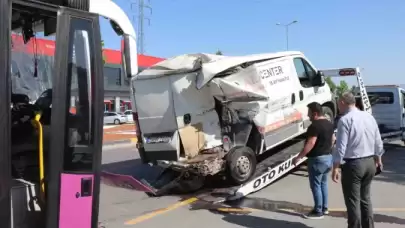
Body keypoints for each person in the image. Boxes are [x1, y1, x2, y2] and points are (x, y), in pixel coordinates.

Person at [332, 91, 384, 228]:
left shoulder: (345, 120)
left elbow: (340, 147)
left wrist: (335, 167)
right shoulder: (369, 117)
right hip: (369, 162)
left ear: (342, 102)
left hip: (353, 164)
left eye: (338, 103)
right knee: (365, 199)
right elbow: (378, 141)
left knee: (353, 202)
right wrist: (378, 158)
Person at [292, 102, 335, 219]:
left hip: (316, 159)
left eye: (309, 113)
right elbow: (333, 139)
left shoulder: (314, 126)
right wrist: (327, 150)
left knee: (315, 185)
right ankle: (324, 208)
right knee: (323, 183)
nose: (308, 116)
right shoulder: (329, 124)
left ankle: (318, 211)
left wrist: (299, 156)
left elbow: (311, 143)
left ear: (315, 113)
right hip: (327, 157)